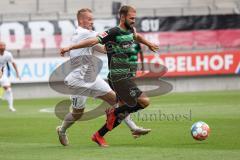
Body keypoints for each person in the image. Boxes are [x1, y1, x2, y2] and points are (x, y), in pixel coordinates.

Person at [60, 5, 159, 146]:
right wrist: (68, 48)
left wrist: (116, 46)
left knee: (116, 101)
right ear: (81, 21)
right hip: (78, 81)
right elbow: (99, 39)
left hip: (93, 78)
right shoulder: (83, 33)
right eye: (89, 19)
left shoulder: (86, 34)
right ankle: (62, 130)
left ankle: (133, 128)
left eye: (92, 19)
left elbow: (102, 48)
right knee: (78, 113)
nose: (91, 22)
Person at [0, 41, 20, 112]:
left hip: (3, 74)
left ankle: (11, 107)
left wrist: (17, 73)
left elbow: (13, 63)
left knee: (8, 90)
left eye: (4, 46)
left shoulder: (8, 54)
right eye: (1, 46)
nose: (3, 47)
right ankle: (1, 94)